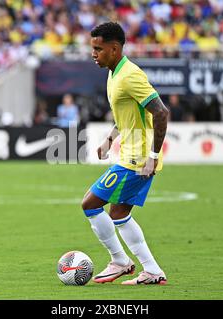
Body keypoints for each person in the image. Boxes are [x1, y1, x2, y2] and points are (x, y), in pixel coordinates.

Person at [81, 22, 169, 285]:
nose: (93, 54)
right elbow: (127, 116)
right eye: (92, 48)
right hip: (130, 155)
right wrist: (110, 139)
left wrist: (152, 157)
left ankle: (119, 260)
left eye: (98, 49)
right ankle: (152, 270)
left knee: (90, 204)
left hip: (138, 159)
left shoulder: (130, 75)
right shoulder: (114, 73)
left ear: (114, 48)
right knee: (119, 213)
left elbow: (161, 112)